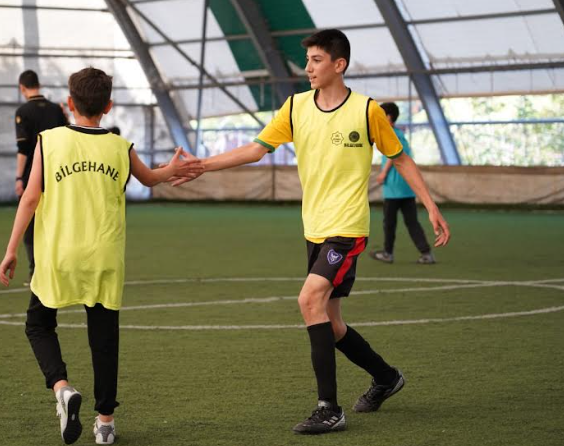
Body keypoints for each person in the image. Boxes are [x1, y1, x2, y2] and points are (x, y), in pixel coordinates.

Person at [171, 29, 450, 435]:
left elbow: (401, 158)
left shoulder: (367, 111)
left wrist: (430, 205)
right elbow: (256, 148)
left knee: (308, 299)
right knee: (331, 322)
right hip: (314, 227)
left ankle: (329, 409)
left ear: (339, 64)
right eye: (307, 61)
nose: (308, 68)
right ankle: (386, 377)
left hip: (347, 227)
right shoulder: (295, 106)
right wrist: (202, 165)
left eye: (316, 60)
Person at [0, 67, 201, 445]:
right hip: (104, 256)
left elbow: (30, 197)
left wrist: (11, 250)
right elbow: (150, 178)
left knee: (38, 325)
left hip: (58, 255)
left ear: (69, 103)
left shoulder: (48, 140)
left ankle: (62, 388)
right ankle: (105, 423)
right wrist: (173, 168)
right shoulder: (120, 146)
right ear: (108, 106)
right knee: (104, 339)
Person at [15, 70, 69, 280]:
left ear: (22, 88)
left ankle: (35, 270)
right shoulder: (56, 109)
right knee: (56, 221)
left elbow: (23, 149)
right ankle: (56, 268)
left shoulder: (23, 111)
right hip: (58, 174)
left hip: (33, 174)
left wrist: (19, 177)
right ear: (39, 84)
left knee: (30, 224)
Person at [370, 102, 435, 265]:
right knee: (412, 222)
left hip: (394, 188)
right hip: (407, 188)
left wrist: (383, 173)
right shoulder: (400, 134)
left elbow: (394, 156)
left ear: (388, 117)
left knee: (389, 223)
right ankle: (426, 253)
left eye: (381, 114)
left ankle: (388, 253)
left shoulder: (391, 134)